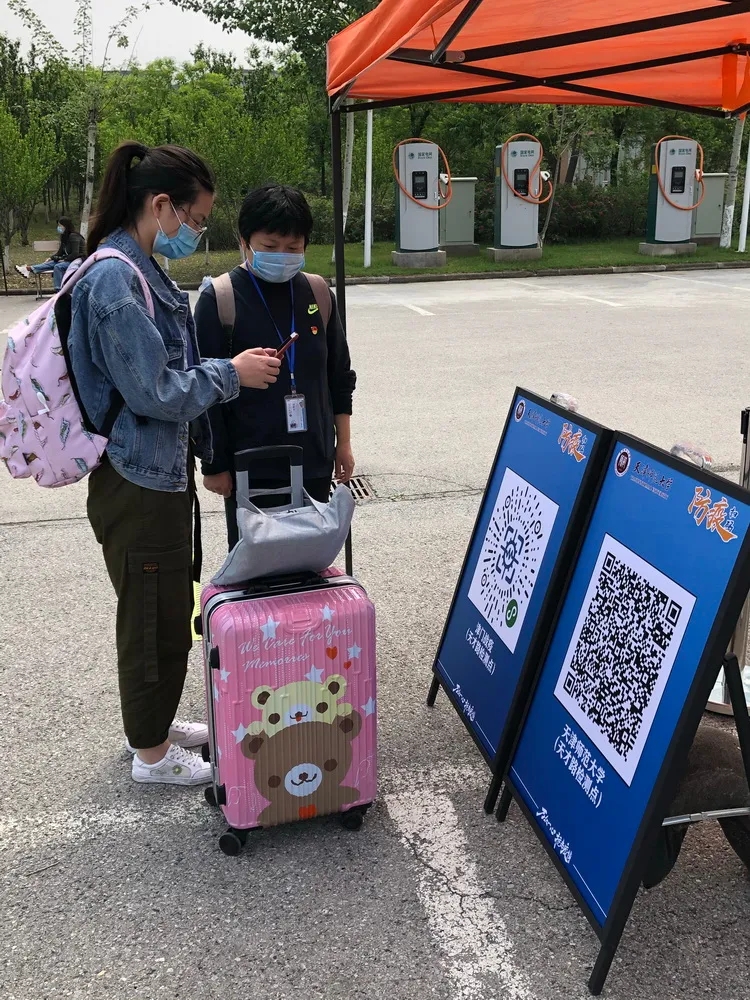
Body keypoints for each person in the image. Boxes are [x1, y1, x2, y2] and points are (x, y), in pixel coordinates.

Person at [67, 142, 282, 787]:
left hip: (154, 474)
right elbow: (156, 391)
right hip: (135, 481)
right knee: (150, 621)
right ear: (161, 206)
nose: (196, 232)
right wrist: (232, 374)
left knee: (164, 610)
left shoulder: (140, 268)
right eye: (195, 219)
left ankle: (155, 728)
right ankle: (152, 755)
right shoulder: (115, 280)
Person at [195, 185, 356, 549]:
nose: (282, 255)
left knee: (310, 564)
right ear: (245, 242)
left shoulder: (317, 294)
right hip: (250, 468)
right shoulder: (220, 299)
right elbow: (204, 392)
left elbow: (339, 376)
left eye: (293, 247)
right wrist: (215, 465)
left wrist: (343, 443)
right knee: (257, 568)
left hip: (313, 461)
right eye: (269, 246)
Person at [15, 217, 86, 291]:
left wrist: (64, 259)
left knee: (58, 266)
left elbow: (75, 253)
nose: (58, 227)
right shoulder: (64, 237)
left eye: (60, 225)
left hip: (78, 261)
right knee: (52, 262)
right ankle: (28, 269)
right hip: (69, 260)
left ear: (66, 226)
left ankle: (59, 290)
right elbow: (60, 252)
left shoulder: (74, 236)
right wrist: (51, 258)